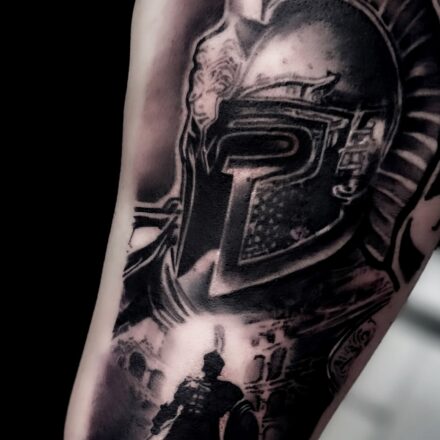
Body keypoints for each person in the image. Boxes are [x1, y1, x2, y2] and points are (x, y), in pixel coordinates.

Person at [65, 1, 440, 439]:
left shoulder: (342, 297)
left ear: (354, 156)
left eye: (272, 142)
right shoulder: (164, 269)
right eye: (233, 140)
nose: (233, 168)